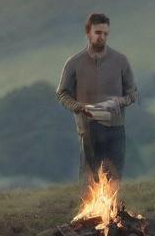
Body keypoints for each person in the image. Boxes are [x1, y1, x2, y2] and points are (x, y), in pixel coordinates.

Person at [56, 12, 138, 188]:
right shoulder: (74, 63)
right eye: (98, 32)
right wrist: (78, 107)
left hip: (115, 127)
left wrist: (118, 102)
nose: (102, 37)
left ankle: (112, 212)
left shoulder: (120, 61)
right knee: (89, 178)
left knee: (114, 178)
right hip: (88, 129)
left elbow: (133, 94)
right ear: (88, 32)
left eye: (105, 34)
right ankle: (89, 212)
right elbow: (62, 93)